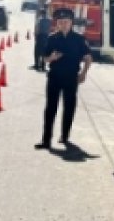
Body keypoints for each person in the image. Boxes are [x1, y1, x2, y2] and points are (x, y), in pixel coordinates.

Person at [35, 8, 92, 150]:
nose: (63, 24)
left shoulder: (79, 39)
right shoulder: (52, 38)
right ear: (57, 24)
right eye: (60, 22)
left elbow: (88, 58)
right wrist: (51, 58)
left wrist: (83, 74)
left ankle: (65, 136)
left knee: (69, 107)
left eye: (66, 22)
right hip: (54, 77)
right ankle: (46, 140)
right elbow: (45, 58)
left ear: (71, 23)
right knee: (50, 109)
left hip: (71, 78)